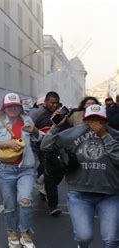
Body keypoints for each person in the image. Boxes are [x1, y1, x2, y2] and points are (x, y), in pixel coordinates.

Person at [41, 104, 119, 248]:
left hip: (110, 194)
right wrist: (56, 127)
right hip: (80, 194)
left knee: (112, 239)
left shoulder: (115, 135)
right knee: (84, 237)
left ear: (106, 120)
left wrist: (105, 136)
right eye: (91, 119)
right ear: (85, 120)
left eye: (99, 119)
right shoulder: (74, 133)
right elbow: (45, 146)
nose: (95, 123)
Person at [0, 93, 40, 248]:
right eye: (10, 106)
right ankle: (12, 232)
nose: (13, 109)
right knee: (10, 205)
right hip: (5, 170)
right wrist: (7, 143)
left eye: (16, 106)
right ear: (5, 108)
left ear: (20, 107)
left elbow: (39, 139)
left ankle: (25, 233)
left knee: (26, 201)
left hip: (26, 168)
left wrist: (35, 131)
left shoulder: (27, 120)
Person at [34, 91, 70, 216]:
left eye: (56, 103)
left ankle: (42, 186)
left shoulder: (62, 114)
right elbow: (30, 129)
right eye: (52, 103)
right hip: (44, 149)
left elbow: (68, 129)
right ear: (45, 102)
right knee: (49, 175)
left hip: (59, 149)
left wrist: (63, 119)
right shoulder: (38, 114)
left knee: (60, 173)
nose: (54, 105)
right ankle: (53, 206)